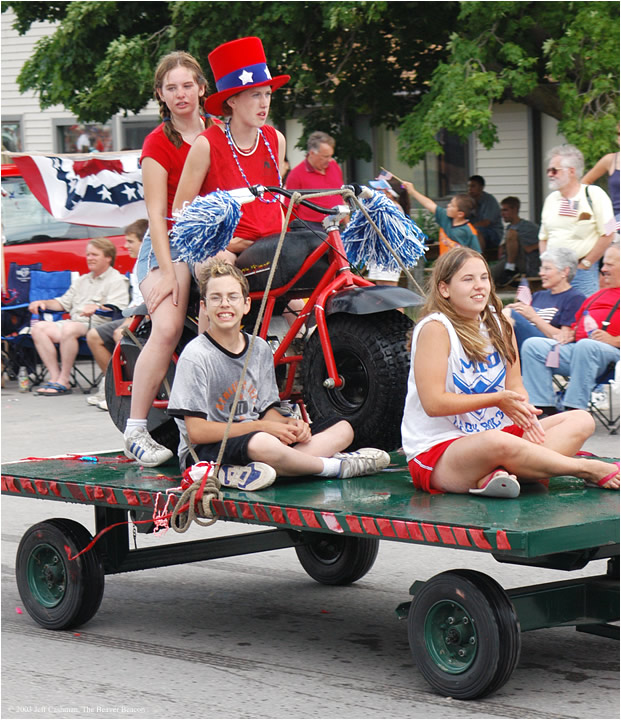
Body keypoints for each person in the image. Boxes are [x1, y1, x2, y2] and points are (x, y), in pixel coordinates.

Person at [400, 246, 619, 496]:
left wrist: (523, 410)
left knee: (581, 420)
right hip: (441, 449)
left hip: (499, 439)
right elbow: (433, 403)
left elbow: (515, 386)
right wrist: (498, 400)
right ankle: (583, 468)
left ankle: (499, 475)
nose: (479, 286)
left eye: (484, 277)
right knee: (496, 442)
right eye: (468, 279)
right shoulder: (436, 328)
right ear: (444, 289)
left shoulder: (499, 324)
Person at [167, 261, 390, 490]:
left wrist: (290, 424)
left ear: (246, 305)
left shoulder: (260, 348)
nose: (225, 304)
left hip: (259, 438)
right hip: (210, 448)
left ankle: (263, 470)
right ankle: (332, 467)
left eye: (232, 297)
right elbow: (197, 432)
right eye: (216, 298)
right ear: (204, 307)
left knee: (343, 429)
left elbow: (267, 412)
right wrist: (261, 427)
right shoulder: (196, 355)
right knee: (263, 443)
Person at [123, 51, 214, 467]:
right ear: (160, 93)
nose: (181, 94)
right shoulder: (158, 142)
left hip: (215, 241)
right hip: (169, 241)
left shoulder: (220, 131)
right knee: (169, 323)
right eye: (172, 87)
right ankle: (136, 429)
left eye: (188, 85)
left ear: (201, 88)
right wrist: (170, 274)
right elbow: (159, 217)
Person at [173, 36, 289, 266]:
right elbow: (180, 213)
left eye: (267, 94)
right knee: (220, 270)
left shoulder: (276, 138)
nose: (264, 103)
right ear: (232, 101)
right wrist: (224, 243)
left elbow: (276, 201)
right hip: (226, 251)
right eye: (255, 95)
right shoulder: (206, 144)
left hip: (274, 245)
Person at [521, 241, 620, 415]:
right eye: (603, 264)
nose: (603, 269)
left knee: (586, 346)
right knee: (533, 345)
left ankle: (574, 410)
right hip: (578, 350)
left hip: (611, 353)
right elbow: (575, 325)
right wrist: (569, 333)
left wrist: (614, 339)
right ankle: (544, 408)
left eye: (608, 264)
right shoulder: (597, 295)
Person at [29, 239, 129, 396]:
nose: (89, 258)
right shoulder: (82, 280)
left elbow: (119, 307)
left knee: (69, 328)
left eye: (95, 254)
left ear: (108, 257)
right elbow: (62, 303)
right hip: (75, 322)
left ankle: (64, 379)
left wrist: (98, 307)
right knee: (38, 328)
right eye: (88, 254)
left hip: (98, 324)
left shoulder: (117, 280)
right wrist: (42, 302)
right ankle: (55, 377)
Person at [85, 219, 148, 410]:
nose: (125, 245)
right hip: (132, 313)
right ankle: (111, 385)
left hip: (145, 314)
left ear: (144, 241)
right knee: (93, 336)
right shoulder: (138, 265)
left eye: (130, 241)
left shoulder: (150, 262)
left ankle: (132, 389)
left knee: (120, 334)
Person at [539, 144, 615, 297]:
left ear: (571, 171)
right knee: (554, 319)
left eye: (554, 170)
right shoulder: (551, 199)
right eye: (548, 170)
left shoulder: (595, 194)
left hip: (582, 273)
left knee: (585, 316)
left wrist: (585, 264)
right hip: (554, 274)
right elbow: (543, 237)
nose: (549, 174)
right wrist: (546, 265)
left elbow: (609, 232)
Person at [502, 247, 585, 351]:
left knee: (507, 314)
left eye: (547, 269)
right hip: (524, 343)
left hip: (549, 348)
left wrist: (533, 317)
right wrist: (518, 310)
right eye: (541, 268)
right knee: (501, 315)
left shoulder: (575, 298)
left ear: (565, 271)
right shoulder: (538, 295)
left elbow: (564, 337)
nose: (541, 273)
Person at [284, 131, 345, 230]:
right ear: (312, 153)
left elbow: (343, 196)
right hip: (311, 229)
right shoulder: (296, 175)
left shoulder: (334, 166)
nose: (330, 160)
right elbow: (289, 208)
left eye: (331, 156)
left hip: (337, 224)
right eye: (325, 156)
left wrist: (349, 225)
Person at [401, 180, 480, 254]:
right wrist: (412, 192)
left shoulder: (469, 231)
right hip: (444, 264)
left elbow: (477, 253)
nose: (448, 205)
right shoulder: (445, 217)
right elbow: (429, 204)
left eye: (452, 205)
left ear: (460, 214)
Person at [366, 176, 411, 286]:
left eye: (380, 190)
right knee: (381, 287)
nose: (376, 192)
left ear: (389, 194)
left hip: (389, 254)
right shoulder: (387, 206)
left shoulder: (393, 207)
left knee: (388, 289)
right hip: (381, 252)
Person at [493, 196, 540, 287]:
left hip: (527, 264)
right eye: (501, 211)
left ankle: (510, 270)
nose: (502, 214)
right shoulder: (508, 228)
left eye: (505, 210)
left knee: (512, 233)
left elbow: (546, 240)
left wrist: (530, 248)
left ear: (515, 209)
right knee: (487, 275)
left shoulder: (529, 227)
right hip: (507, 260)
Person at [582, 146, 620, 228]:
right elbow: (585, 182)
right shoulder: (610, 160)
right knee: (604, 234)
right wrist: (596, 205)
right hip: (615, 220)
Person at [467, 175, 504, 252]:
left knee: (476, 232)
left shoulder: (489, 200)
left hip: (493, 234)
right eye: (468, 186)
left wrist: (468, 228)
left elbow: (486, 222)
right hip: (473, 232)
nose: (470, 189)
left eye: (473, 186)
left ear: (481, 187)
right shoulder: (468, 201)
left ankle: (479, 259)